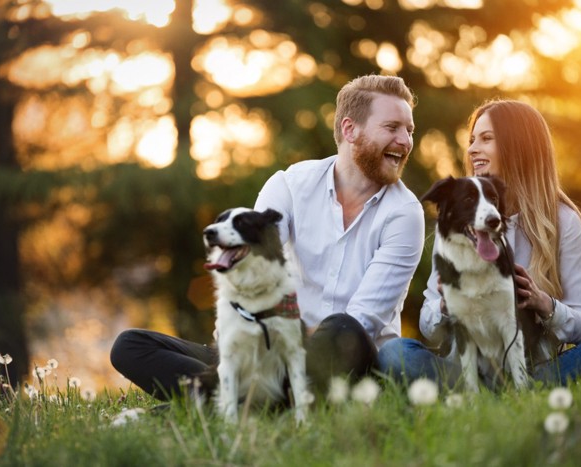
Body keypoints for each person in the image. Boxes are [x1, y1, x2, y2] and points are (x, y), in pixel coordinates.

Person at [110, 74, 426, 400]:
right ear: (350, 130)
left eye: (409, 131)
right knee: (131, 345)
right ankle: (253, 401)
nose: (405, 141)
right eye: (392, 128)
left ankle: (225, 400)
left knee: (345, 327)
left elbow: (365, 320)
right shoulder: (290, 185)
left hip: (346, 362)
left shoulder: (404, 214)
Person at [378, 99, 581, 389]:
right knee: (394, 353)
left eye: (486, 139)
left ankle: (527, 386)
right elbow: (429, 325)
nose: (473, 149)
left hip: (535, 365)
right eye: (472, 140)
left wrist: (545, 304)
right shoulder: (457, 224)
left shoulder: (563, 220)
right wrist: (444, 306)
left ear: (519, 146)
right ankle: (480, 389)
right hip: (466, 367)